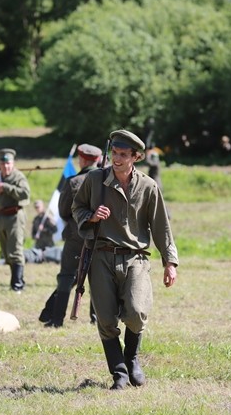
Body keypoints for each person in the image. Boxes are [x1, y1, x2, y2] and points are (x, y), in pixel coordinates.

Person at [72, 129, 178, 390]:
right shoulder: (95, 180)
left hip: (135, 258)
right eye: (114, 153)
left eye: (123, 154)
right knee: (106, 320)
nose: (116, 159)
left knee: (137, 312)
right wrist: (92, 216)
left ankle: (131, 358)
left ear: (136, 157)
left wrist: (170, 262)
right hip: (101, 256)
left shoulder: (148, 186)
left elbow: (161, 226)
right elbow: (78, 208)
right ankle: (119, 372)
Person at [39, 143, 102, 328]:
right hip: (100, 237)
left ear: (82, 159)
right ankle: (96, 318)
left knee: (66, 276)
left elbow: (63, 210)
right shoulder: (107, 181)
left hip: (77, 236)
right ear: (97, 160)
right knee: (98, 278)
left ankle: (57, 319)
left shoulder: (74, 182)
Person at [0, 148, 30, 292]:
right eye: (3, 164)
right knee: (7, 253)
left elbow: (25, 194)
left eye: (8, 164)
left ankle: (17, 285)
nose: (6, 167)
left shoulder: (18, 177)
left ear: (12, 163)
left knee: (15, 251)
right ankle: (16, 281)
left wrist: (6, 187)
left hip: (14, 216)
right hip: (0, 217)